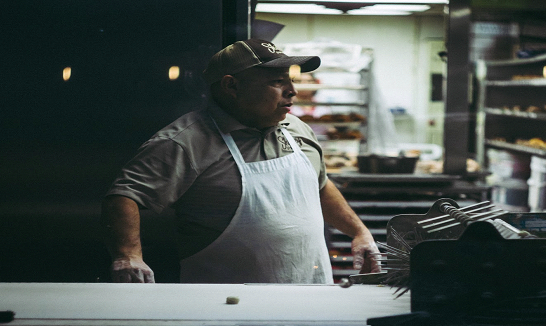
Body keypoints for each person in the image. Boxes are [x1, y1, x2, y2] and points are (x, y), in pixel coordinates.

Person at [101, 38, 381, 284]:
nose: (292, 91)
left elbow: (319, 186)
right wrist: (128, 257)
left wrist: (359, 232)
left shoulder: (297, 129)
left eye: (291, 79)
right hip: (225, 302)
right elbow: (125, 195)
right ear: (231, 86)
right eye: (277, 81)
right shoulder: (186, 140)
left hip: (311, 290)